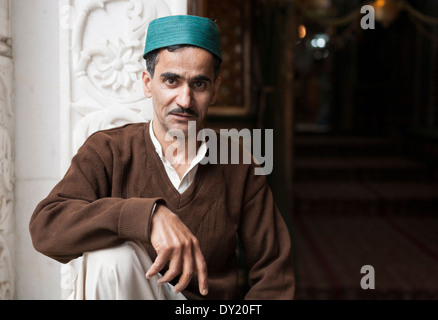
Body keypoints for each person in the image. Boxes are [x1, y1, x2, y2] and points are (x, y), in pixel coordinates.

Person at [29, 15, 295, 300]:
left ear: (215, 90)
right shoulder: (108, 150)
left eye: (200, 84)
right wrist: (148, 216)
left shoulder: (239, 164)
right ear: (147, 83)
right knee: (112, 259)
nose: (185, 100)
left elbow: (274, 276)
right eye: (171, 81)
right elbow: (46, 228)